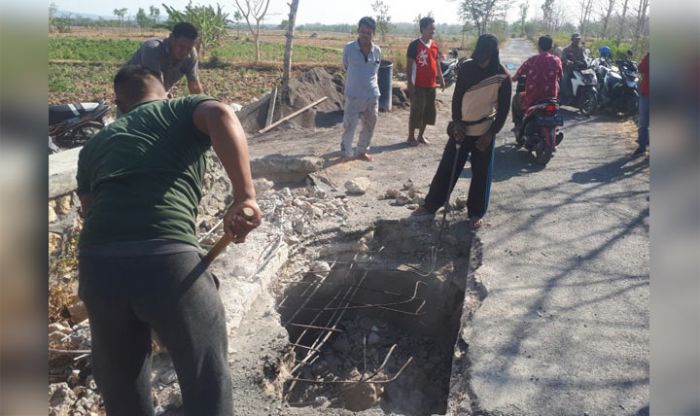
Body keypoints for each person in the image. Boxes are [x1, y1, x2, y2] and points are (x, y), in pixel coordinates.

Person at [76, 65, 262, 416]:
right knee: (205, 376)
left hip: (98, 266)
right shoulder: (178, 109)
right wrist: (245, 197)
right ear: (167, 92)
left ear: (120, 104)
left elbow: (90, 213)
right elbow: (221, 113)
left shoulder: (95, 144)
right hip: (166, 260)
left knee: (121, 384)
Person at [413, 34, 511, 230]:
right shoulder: (467, 67)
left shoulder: (503, 77)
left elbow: (503, 111)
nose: (482, 62)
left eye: (486, 57)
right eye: (479, 56)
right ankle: (432, 204)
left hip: (484, 131)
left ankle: (476, 212)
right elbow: (457, 98)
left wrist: (490, 134)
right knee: (448, 168)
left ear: (493, 55)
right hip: (462, 129)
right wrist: (457, 123)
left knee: (481, 173)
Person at [339, 16, 382, 163]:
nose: (365, 35)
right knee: (349, 125)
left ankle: (362, 151)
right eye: (362, 31)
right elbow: (346, 66)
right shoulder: (349, 48)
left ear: (373, 34)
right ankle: (346, 152)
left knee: (370, 124)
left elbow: (375, 70)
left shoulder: (377, 50)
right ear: (358, 31)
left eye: (368, 32)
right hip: (354, 94)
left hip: (372, 94)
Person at [126, 22, 203, 95]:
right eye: (181, 46)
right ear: (172, 38)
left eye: (189, 48)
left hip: (156, 94)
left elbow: (194, 85)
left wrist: (203, 104)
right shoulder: (152, 49)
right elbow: (155, 85)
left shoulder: (191, 54)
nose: (185, 52)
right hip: (130, 92)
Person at [406, 17, 446, 146]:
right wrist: (410, 83)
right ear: (422, 29)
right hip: (418, 84)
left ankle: (421, 136)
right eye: (430, 28)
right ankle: (411, 137)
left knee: (429, 111)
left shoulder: (434, 45)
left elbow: (437, 63)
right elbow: (409, 66)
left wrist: (441, 78)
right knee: (416, 110)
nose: (433, 31)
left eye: (434, 29)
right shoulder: (414, 45)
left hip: (431, 85)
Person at [511, 35, 563, 128]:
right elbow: (560, 76)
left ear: (538, 46)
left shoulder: (532, 60)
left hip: (533, 98)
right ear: (551, 47)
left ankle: (518, 125)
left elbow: (517, 75)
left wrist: (513, 78)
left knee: (516, 99)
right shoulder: (557, 60)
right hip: (551, 98)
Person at [633, 52, 649, 157]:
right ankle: (642, 147)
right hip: (646, 94)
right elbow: (640, 68)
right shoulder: (650, 56)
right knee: (643, 123)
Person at [560, 33, 585, 98]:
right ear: (572, 39)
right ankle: (564, 96)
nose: (577, 41)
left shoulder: (580, 49)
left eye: (578, 39)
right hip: (569, 69)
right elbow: (563, 58)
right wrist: (568, 61)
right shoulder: (567, 49)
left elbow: (583, 58)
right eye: (576, 39)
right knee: (564, 79)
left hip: (578, 69)